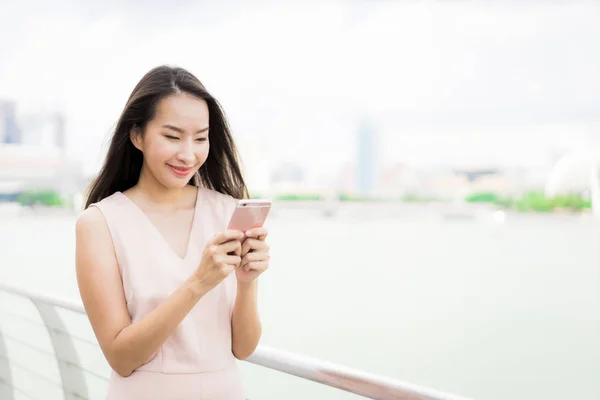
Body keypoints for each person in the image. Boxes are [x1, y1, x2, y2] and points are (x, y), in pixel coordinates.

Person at [75, 65, 270, 400]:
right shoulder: (100, 223)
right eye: (172, 136)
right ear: (137, 135)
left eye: (200, 138)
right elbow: (121, 358)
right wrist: (198, 283)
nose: (188, 154)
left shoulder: (226, 211)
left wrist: (247, 281)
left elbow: (244, 348)